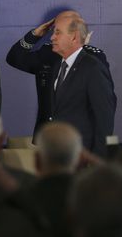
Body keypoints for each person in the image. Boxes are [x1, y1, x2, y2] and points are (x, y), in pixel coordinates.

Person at [6, 9, 110, 135]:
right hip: (48, 135)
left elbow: (104, 106)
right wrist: (34, 35)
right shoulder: (46, 54)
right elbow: (14, 58)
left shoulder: (95, 58)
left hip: (81, 137)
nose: (52, 36)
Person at [47, 15, 116, 156]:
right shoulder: (57, 66)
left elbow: (105, 116)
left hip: (84, 155)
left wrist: (98, 158)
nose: (52, 38)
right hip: (59, 153)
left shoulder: (93, 67)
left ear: (74, 37)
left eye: (58, 32)